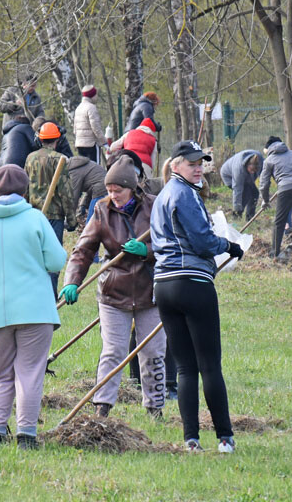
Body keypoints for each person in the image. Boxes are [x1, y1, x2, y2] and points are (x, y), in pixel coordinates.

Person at [0, 164, 66, 448]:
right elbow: (56, 261)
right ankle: (26, 434)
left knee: (0, 372)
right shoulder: (35, 218)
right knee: (30, 372)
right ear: (25, 190)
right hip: (35, 309)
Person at [151, 140, 240, 453]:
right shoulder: (185, 194)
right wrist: (229, 246)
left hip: (163, 286)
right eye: (191, 164)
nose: (198, 168)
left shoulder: (162, 195)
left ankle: (191, 440)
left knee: (185, 368)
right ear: (176, 166)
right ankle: (225, 438)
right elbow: (203, 242)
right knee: (209, 365)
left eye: (201, 163)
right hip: (192, 282)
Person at [63, 158, 166, 418]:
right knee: (113, 351)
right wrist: (72, 281)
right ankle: (102, 407)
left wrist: (147, 251)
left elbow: (172, 245)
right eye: (109, 190)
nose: (113, 196)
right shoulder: (102, 209)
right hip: (114, 292)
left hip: (150, 291)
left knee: (153, 352)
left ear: (131, 187)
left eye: (117, 190)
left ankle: (155, 408)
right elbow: (83, 250)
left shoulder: (155, 206)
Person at [25, 121, 75, 293]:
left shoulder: (30, 158)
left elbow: (25, 188)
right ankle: (51, 294)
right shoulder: (59, 159)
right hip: (54, 217)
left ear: (40, 139)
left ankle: (36, 291)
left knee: (36, 255)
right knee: (52, 257)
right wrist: (72, 220)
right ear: (57, 140)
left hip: (34, 215)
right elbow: (66, 192)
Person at [218, 149, 262, 219]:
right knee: (246, 193)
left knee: (255, 193)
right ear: (247, 165)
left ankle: (250, 217)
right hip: (228, 175)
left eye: (255, 170)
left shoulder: (261, 162)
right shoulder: (239, 170)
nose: (253, 172)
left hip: (247, 177)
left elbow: (265, 176)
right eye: (251, 170)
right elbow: (237, 190)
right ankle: (237, 215)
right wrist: (237, 207)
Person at [67, 152, 107, 226]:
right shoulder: (78, 165)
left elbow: (74, 196)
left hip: (101, 191)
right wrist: (83, 205)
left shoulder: (73, 172)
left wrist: (70, 219)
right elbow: (91, 186)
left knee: (90, 223)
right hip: (103, 187)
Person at [73, 85, 105, 161]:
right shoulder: (91, 108)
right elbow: (96, 128)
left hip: (80, 144)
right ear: (92, 95)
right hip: (91, 144)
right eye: (96, 94)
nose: (97, 97)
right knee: (95, 167)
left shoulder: (78, 108)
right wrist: (104, 141)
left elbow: (75, 129)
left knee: (83, 166)